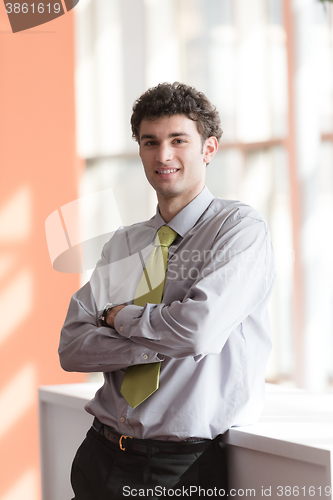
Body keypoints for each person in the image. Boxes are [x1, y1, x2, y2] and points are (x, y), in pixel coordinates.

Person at [59, 82, 275, 499]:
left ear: (209, 148)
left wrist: (117, 318)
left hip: (177, 467)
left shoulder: (239, 230)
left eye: (179, 140)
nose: (164, 156)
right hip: (98, 454)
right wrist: (165, 337)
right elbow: (72, 348)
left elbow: (199, 332)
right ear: (139, 150)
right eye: (150, 142)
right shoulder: (124, 243)